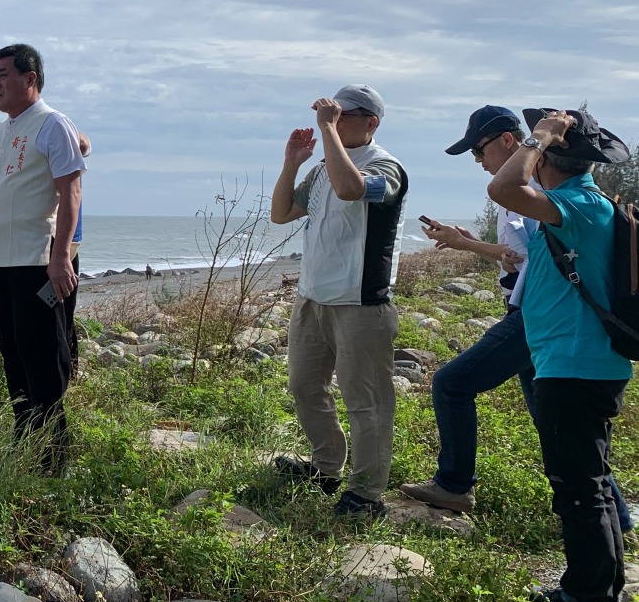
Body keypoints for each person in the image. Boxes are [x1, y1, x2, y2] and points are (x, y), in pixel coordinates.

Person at [404, 107, 635, 531]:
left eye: (479, 150)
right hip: (542, 318)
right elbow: (526, 258)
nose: (477, 160)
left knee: (452, 384)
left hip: (544, 319)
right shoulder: (538, 191)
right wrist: (471, 243)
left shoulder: (544, 191)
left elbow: (524, 251)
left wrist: (470, 245)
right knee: (557, 423)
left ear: (509, 141)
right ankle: (615, 516)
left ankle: (454, 484)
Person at [488, 107, 632, 602]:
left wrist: (539, 136)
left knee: (580, 491)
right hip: (573, 361)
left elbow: (504, 189)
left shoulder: (581, 204)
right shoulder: (579, 205)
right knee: (586, 484)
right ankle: (589, 595)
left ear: (549, 157)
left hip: (577, 364)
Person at [269, 85, 407, 517]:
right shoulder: (321, 170)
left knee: (366, 401)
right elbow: (281, 213)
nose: (334, 120)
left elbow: (351, 189)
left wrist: (327, 130)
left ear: (371, 122)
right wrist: (292, 162)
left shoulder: (386, 166)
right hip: (312, 298)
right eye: (333, 114)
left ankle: (366, 493)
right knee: (304, 386)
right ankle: (326, 467)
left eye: (344, 115)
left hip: (360, 304)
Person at [0, 44, 85, 475]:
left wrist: (61, 257)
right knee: (13, 359)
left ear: (30, 78)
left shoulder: (52, 124)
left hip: (35, 261)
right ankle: (25, 444)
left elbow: (71, 191)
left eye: (4, 75)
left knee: (43, 361)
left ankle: (53, 459)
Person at [64, 132, 92, 374]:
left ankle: (69, 371)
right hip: (39, 242)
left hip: (65, 245)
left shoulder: (57, 127)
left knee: (63, 315)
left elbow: (83, 144)